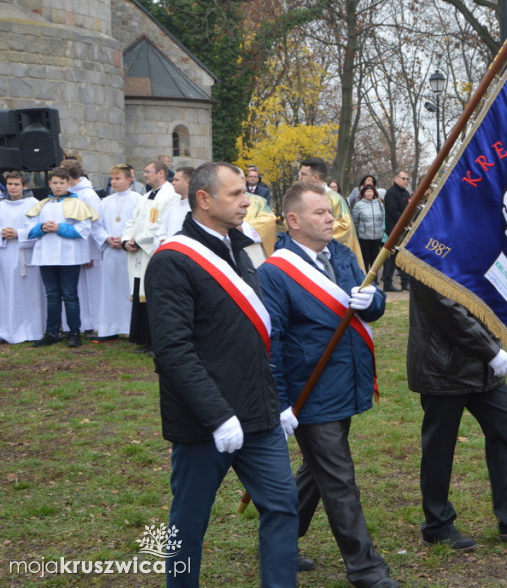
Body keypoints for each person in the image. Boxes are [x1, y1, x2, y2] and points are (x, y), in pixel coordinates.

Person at [146, 162, 298, 588]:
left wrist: (278, 400)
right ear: (204, 199)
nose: (246, 200)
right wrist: (216, 415)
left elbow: (264, 329)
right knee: (189, 522)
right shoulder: (173, 261)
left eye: (244, 192)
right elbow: (173, 350)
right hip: (204, 420)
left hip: (258, 411)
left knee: (284, 506)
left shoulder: (246, 246)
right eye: (235, 194)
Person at [259, 182, 398, 588]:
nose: (331, 219)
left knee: (317, 470)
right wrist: (282, 402)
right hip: (309, 390)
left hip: (344, 381)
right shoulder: (275, 273)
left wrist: (369, 301)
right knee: (338, 477)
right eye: (320, 213)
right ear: (295, 220)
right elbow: (272, 341)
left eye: (332, 211)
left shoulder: (340, 253)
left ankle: (280, 542)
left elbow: (374, 304)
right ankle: (365, 568)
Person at [407, 278, 507, 550]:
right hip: (444, 364)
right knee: (439, 447)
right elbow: (446, 308)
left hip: (481, 364)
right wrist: (490, 351)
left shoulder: (471, 240)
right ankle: (437, 524)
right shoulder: (427, 247)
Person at [26, 166, 97, 348]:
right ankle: (52, 332)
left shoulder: (78, 204)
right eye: (54, 183)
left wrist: (59, 228)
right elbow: (29, 229)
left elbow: (83, 230)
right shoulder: (43, 204)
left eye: (61, 183)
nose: (57, 186)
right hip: (46, 255)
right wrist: (42, 228)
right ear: (49, 184)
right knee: (51, 295)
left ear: (68, 183)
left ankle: (74, 331)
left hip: (68, 256)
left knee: (70, 295)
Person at [121, 160, 179, 353]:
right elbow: (133, 220)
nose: (144, 175)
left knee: (154, 297)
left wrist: (138, 241)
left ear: (161, 173)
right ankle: (145, 339)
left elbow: (160, 224)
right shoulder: (146, 196)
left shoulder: (170, 196)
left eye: (148, 172)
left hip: (152, 251)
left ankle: (157, 342)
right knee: (141, 295)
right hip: (138, 251)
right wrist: (126, 240)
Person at [91, 165, 142, 340]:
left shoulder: (138, 200)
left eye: (118, 178)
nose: (114, 182)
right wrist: (106, 238)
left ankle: (130, 328)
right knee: (110, 289)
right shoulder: (104, 202)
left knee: (128, 289)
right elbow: (97, 226)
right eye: (112, 179)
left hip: (129, 252)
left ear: (129, 179)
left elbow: (141, 224)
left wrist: (126, 239)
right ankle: (109, 327)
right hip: (111, 251)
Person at [0, 172, 46, 344]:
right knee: (6, 293)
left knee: (29, 294)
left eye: (16, 184)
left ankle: (32, 330)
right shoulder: (1, 206)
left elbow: (39, 228)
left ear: (24, 186)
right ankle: (6, 330)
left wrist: (18, 233)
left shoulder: (33, 204)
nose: (13, 187)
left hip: (26, 256)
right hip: (5, 254)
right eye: (10, 184)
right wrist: (3, 234)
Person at [297, 157, 362, 266]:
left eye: (303, 175)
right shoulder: (300, 197)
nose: (300, 178)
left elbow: (345, 227)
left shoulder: (334, 199)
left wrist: (312, 228)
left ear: (315, 177)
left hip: (328, 258)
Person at [62, 159, 103, 334]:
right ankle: (80, 322)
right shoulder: (69, 193)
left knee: (91, 288)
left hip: (88, 250)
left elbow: (94, 224)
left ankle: (94, 323)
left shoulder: (88, 195)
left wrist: (91, 254)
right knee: (78, 289)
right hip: (73, 248)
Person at [382, 171, 411, 292]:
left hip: (405, 228)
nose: (405, 181)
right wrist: (406, 221)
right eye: (403, 178)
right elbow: (393, 212)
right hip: (394, 228)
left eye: (407, 179)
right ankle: (388, 282)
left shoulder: (406, 193)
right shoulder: (391, 193)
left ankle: (404, 282)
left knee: (401, 256)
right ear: (396, 178)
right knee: (394, 256)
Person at [351, 185, 385, 275]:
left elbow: (382, 218)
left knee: (375, 257)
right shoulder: (359, 205)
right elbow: (355, 221)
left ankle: (374, 277)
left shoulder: (379, 204)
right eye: (367, 192)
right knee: (365, 257)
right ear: (363, 193)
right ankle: (365, 275)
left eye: (371, 191)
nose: (369, 193)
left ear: (374, 193)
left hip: (377, 236)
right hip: (364, 236)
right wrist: (359, 232)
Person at [163, 167, 194, 238]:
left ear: (188, 182)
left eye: (176, 180)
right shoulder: (172, 206)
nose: (173, 183)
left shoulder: (196, 209)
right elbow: (161, 232)